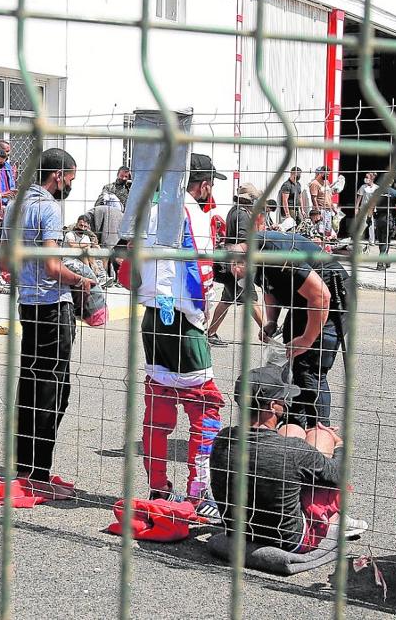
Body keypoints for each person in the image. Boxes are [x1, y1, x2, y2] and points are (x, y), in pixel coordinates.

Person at [136, 152, 225, 521]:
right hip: (183, 322)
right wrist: (200, 318)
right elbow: (198, 272)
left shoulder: (151, 208)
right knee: (207, 406)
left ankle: (158, 485)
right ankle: (199, 488)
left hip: (152, 316)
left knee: (158, 407)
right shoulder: (194, 214)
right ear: (203, 185)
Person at [3, 147, 90, 500]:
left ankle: (23, 467)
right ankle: (40, 472)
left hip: (28, 304)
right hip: (53, 307)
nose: (69, 184)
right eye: (70, 178)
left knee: (29, 383)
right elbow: (54, 268)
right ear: (58, 175)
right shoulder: (49, 208)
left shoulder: (15, 205)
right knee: (54, 390)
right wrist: (81, 280)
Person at [210, 364, 350, 552]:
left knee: (291, 430)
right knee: (321, 436)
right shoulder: (292, 450)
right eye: (283, 399)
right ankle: (331, 519)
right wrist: (338, 444)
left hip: (238, 531)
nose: (287, 402)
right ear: (272, 405)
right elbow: (338, 475)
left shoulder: (222, 438)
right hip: (289, 541)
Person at [229, 231, 343, 428]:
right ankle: (296, 425)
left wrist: (308, 338)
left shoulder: (276, 254)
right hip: (302, 301)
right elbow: (269, 287)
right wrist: (271, 321)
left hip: (330, 299)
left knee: (309, 368)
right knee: (291, 361)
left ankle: (320, 432)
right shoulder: (251, 258)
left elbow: (321, 296)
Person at [206, 183, 264, 347]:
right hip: (238, 264)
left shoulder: (234, 210)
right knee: (250, 298)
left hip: (232, 262)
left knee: (227, 299)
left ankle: (211, 333)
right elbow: (243, 239)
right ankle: (269, 332)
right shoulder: (243, 214)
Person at [87, 187, 125, 285]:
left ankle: (104, 277)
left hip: (107, 236)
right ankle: (115, 278)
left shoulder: (96, 210)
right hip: (119, 235)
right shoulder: (120, 212)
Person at [372, 184, 396, 271]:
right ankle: (380, 263)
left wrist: (369, 217)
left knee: (381, 241)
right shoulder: (395, 193)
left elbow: (371, 205)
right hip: (388, 219)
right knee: (386, 242)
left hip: (378, 219)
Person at [308, 166, 335, 237]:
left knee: (328, 229)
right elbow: (314, 198)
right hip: (321, 209)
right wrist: (318, 212)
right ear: (321, 172)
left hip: (328, 209)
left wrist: (333, 208)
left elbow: (329, 196)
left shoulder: (326, 182)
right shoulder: (314, 183)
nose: (327, 176)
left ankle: (326, 244)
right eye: (326, 174)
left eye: (328, 175)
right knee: (320, 230)